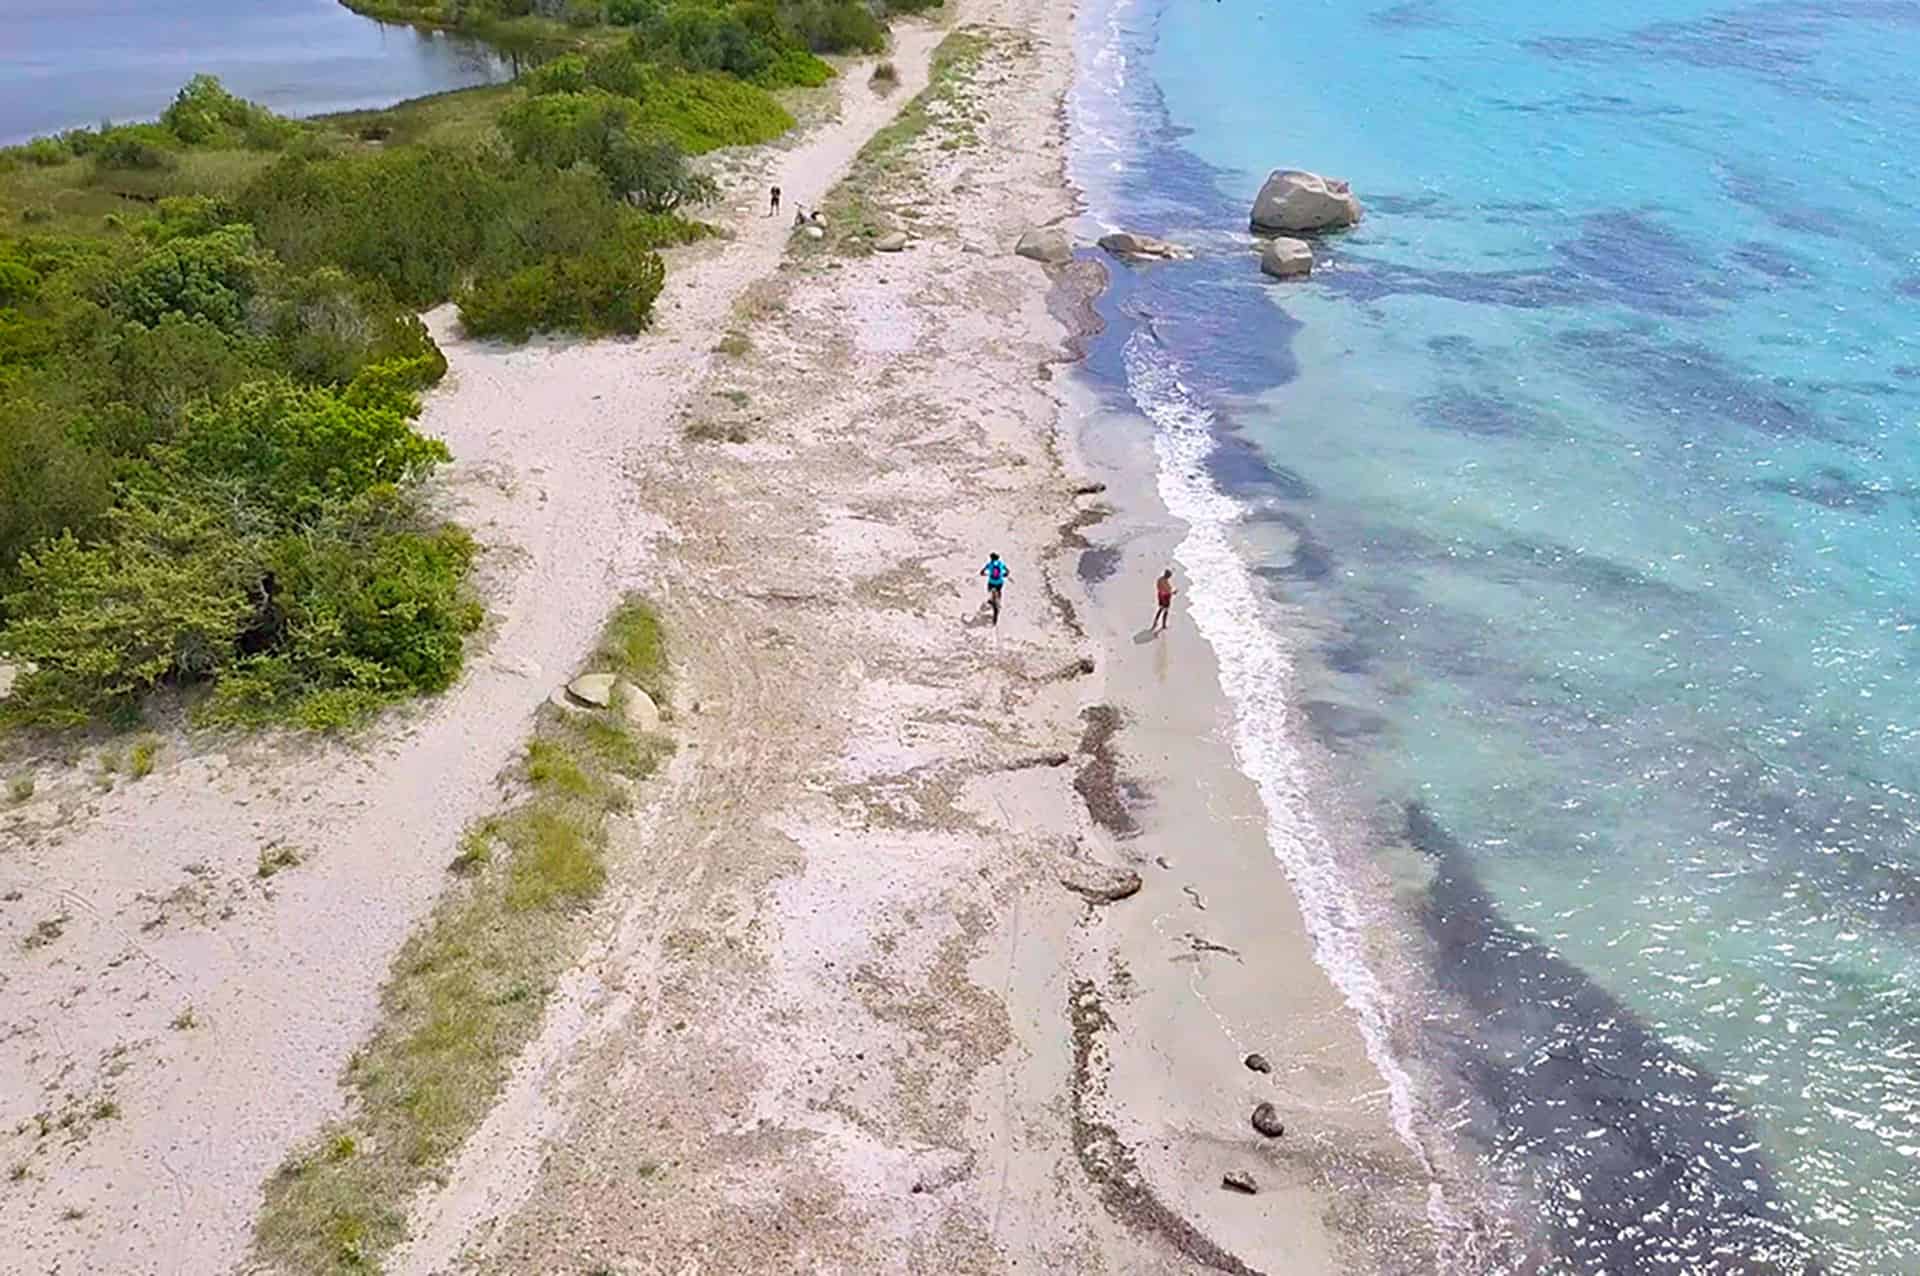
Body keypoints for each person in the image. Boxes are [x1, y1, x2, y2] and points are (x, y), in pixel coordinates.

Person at [980, 553, 1010, 625]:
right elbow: (1007, 571)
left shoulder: (989, 564)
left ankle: (991, 599)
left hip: (992, 582)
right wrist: (1005, 574)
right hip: (999, 582)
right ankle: (999, 599)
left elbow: (982, 572)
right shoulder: (1001, 564)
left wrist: (983, 573)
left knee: (989, 589)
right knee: (999, 590)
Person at [1152, 568, 1177, 632]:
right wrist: (1173, 592)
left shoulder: (1160, 579)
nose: (1169, 577)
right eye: (1169, 576)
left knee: (1160, 609)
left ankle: (1155, 621)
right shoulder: (1164, 581)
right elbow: (1166, 591)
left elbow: (1161, 589)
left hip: (1160, 596)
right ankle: (1163, 625)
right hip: (1165, 598)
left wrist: (1170, 592)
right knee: (1166, 611)